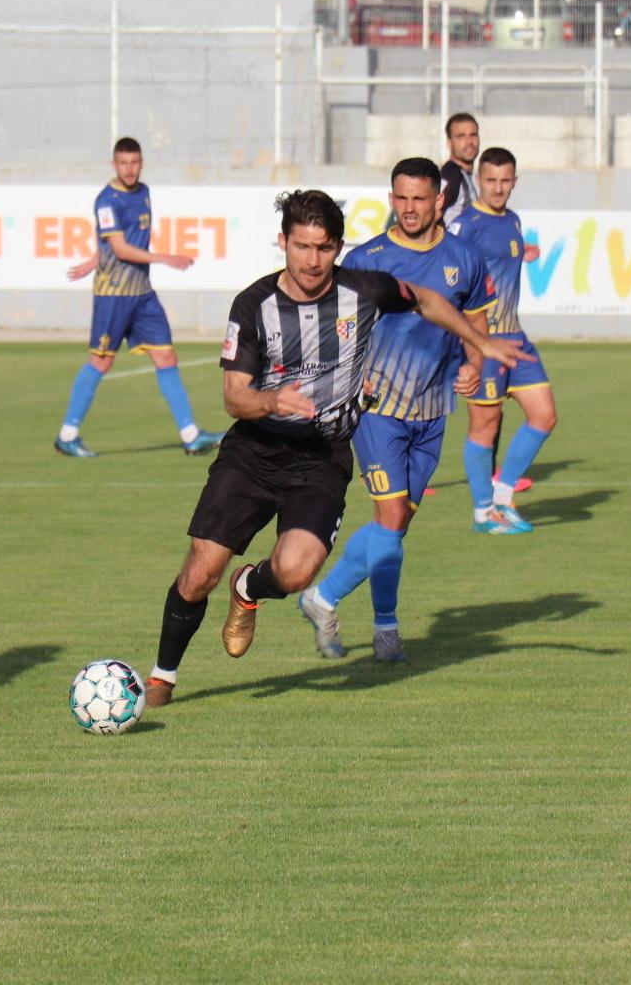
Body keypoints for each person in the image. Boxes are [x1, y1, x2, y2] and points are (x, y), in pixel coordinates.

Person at [143, 190, 527, 707]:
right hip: (253, 453)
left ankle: (250, 588)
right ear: (283, 243)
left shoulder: (364, 290)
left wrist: (479, 344)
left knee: (297, 570)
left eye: (323, 248)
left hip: (322, 459)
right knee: (198, 573)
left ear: (338, 248)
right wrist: (272, 399)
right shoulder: (253, 305)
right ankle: (162, 677)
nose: (311, 259)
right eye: (301, 246)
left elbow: (431, 299)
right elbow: (234, 398)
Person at [295, 158, 490, 664]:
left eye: (419, 199)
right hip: (377, 409)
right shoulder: (367, 259)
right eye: (400, 198)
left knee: (394, 527)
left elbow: (476, 329)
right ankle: (386, 629)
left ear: (439, 201)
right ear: (391, 199)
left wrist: (473, 364)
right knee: (392, 514)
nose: (408, 208)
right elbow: (331, 331)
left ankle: (323, 597)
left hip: (433, 410)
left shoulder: (465, 260)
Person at [54, 137, 223, 458]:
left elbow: (116, 241)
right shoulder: (107, 201)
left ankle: (191, 435)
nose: (129, 169)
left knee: (166, 357)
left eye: (134, 162)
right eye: (123, 163)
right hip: (114, 294)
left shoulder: (144, 192)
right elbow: (119, 248)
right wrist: (166, 258)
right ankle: (67, 435)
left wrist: (92, 260)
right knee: (101, 361)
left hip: (142, 293)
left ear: (141, 163)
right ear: (113, 164)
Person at [448, 146, 557, 535]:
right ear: (479, 180)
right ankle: (484, 512)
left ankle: (503, 495)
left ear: (515, 181)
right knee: (485, 425)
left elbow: (497, 262)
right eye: (490, 180)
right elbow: (452, 281)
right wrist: (469, 343)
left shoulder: (512, 219)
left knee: (544, 415)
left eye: (505, 180)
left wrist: (519, 253)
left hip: (516, 335)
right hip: (484, 339)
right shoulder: (464, 225)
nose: (498, 188)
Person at [438, 112, 481, 227]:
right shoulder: (451, 176)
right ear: (449, 143)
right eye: (461, 136)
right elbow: (429, 217)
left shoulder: (467, 175)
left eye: (473, 135)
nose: (469, 142)